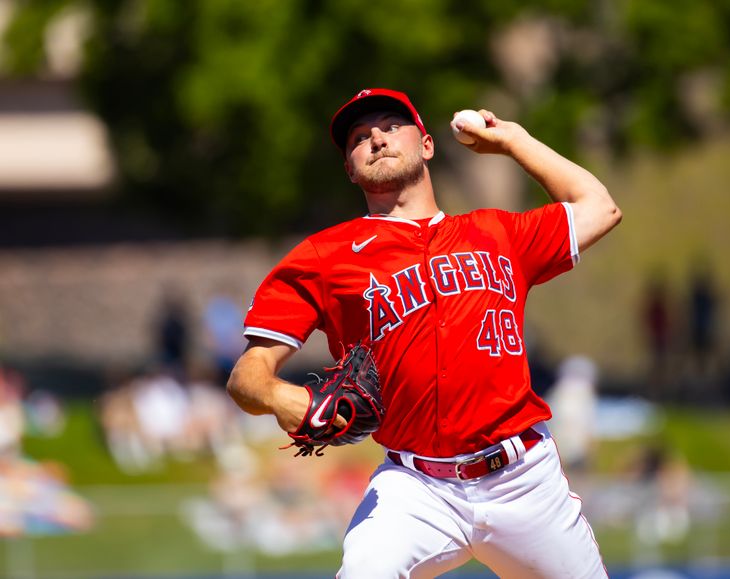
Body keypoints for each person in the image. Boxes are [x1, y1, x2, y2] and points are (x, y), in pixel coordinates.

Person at [227, 88, 621, 578]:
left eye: (391, 126)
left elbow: (599, 208)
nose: (375, 138)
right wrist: (280, 397)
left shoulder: (496, 232)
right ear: (351, 169)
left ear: (427, 145)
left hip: (523, 480)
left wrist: (513, 141)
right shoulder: (325, 258)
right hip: (415, 487)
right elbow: (247, 375)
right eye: (358, 137)